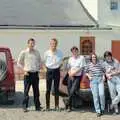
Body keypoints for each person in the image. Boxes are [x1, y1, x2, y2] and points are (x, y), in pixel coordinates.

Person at [17, 38, 42, 112]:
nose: (32, 44)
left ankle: (37, 106)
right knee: (26, 91)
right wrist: (24, 70)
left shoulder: (37, 52)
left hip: (35, 74)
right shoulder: (24, 52)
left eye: (33, 43)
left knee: (36, 91)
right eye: (30, 43)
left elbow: (40, 61)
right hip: (27, 74)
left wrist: (39, 69)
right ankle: (25, 106)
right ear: (28, 44)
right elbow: (18, 63)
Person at [44, 38, 63, 111]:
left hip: (56, 71)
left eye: (55, 44)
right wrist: (46, 69)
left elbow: (61, 62)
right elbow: (44, 62)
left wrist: (58, 68)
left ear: (56, 44)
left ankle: (57, 106)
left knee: (56, 89)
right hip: (49, 71)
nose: (53, 45)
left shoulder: (60, 52)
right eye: (52, 43)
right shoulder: (46, 53)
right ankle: (48, 106)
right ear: (50, 44)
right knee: (48, 89)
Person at [65, 46, 86, 112]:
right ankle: (69, 107)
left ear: (78, 51)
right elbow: (68, 68)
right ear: (72, 52)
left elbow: (81, 67)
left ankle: (67, 102)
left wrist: (74, 73)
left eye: (75, 51)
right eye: (73, 51)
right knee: (69, 90)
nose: (74, 52)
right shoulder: (70, 59)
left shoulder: (81, 58)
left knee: (72, 90)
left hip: (77, 76)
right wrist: (70, 74)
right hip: (70, 76)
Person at [85, 53, 105, 117]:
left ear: (96, 58)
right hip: (93, 80)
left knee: (101, 94)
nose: (94, 58)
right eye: (93, 57)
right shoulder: (89, 64)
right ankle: (98, 111)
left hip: (100, 80)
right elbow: (85, 72)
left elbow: (104, 71)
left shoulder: (100, 63)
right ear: (91, 58)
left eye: (95, 57)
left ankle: (102, 108)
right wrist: (89, 76)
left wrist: (104, 76)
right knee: (95, 96)